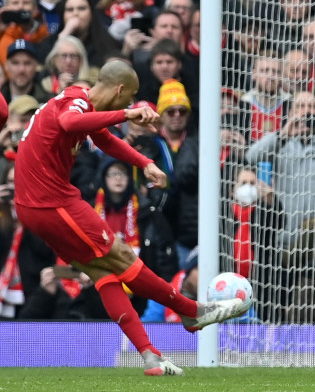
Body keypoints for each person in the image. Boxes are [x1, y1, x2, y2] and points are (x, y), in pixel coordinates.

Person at [12, 60, 251, 375]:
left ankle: (150, 356)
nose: (127, 106)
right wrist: (128, 114)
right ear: (120, 89)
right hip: (50, 202)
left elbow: (102, 137)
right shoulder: (77, 103)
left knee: (103, 273)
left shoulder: (76, 96)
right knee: (121, 254)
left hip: (34, 205)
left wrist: (144, 162)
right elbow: (71, 124)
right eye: (128, 99)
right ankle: (191, 312)